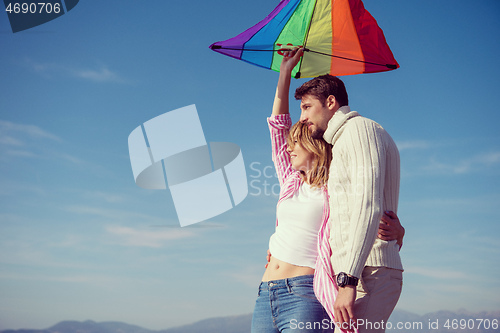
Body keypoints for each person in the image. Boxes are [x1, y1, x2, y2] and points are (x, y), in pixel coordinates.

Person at [250, 48, 405, 333]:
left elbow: (363, 207)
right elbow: (276, 127)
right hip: (266, 292)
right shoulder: (290, 182)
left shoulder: (333, 188)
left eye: (294, 143)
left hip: (305, 291)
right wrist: (284, 73)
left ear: (311, 147)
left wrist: (397, 230)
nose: (286, 148)